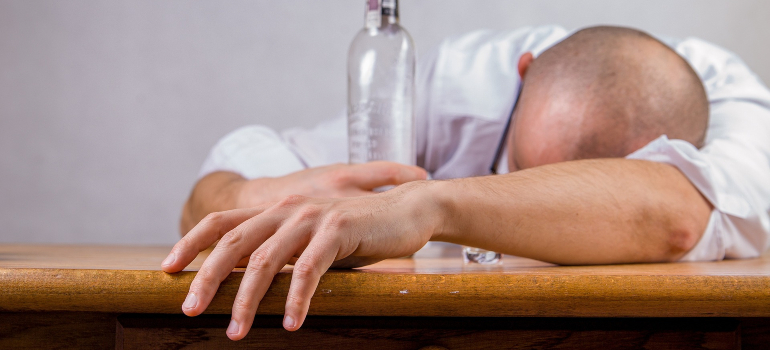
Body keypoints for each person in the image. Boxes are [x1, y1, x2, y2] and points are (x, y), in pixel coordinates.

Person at [161, 25, 770, 340]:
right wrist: (253, 197)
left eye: (572, 188)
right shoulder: (459, 83)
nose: (534, 191)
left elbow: (675, 219)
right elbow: (219, 182)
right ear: (522, 75)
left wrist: (424, 207)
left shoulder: (738, 106)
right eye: (519, 167)